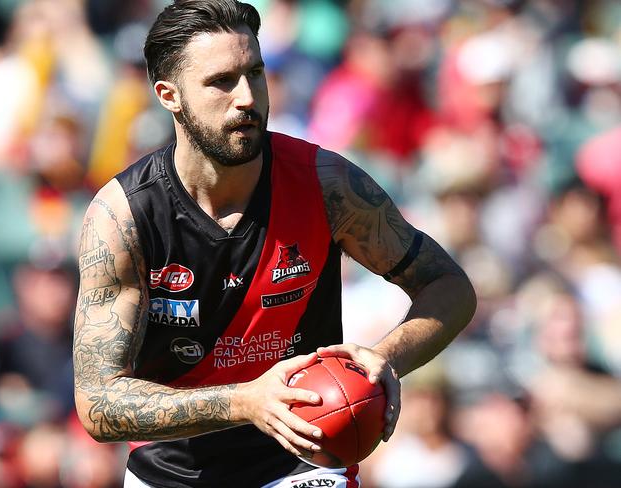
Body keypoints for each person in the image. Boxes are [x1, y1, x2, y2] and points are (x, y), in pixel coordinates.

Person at [72, 1, 476, 487]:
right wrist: (246, 401)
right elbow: (97, 403)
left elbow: (449, 287)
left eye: (256, 74)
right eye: (222, 81)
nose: (247, 97)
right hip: (173, 473)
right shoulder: (123, 216)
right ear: (169, 95)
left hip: (305, 460)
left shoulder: (326, 183)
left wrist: (387, 356)